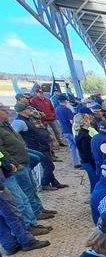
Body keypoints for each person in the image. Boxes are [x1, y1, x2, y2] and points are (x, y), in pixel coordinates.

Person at [0, 104, 53, 234]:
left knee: (29, 190)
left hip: (21, 162)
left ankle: (36, 213)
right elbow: (2, 151)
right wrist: (13, 163)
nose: (7, 112)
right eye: (3, 110)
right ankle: (29, 224)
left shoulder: (6, 125)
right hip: (13, 167)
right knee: (21, 198)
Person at [11, 103, 66, 191]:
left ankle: (54, 182)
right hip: (37, 147)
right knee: (49, 166)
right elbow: (12, 135)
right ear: (24, 111)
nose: (31, 111)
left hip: (41, 146)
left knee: (47, 165)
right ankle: (44, 183)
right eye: (29, 109)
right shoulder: (19, 122)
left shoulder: (27, 119)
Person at [74, 114, 98, 193]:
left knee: (93, 182)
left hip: (85, 161)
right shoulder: (85, 136)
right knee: (95, 182)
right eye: (88, 119)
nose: (90, 121)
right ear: (84, 122)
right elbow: (87, 153)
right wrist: (95, 165)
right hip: (89, 163)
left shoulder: (80, 133)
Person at [54, 95, 80, 168]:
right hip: (71, 131)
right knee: (79, 147)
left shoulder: (57, 109)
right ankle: (82, 161)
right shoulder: (67, 109)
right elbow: (72, 122)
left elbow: (58, 121)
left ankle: (75, 163)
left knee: (72, 148)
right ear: (65, 101)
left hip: (65, 131)